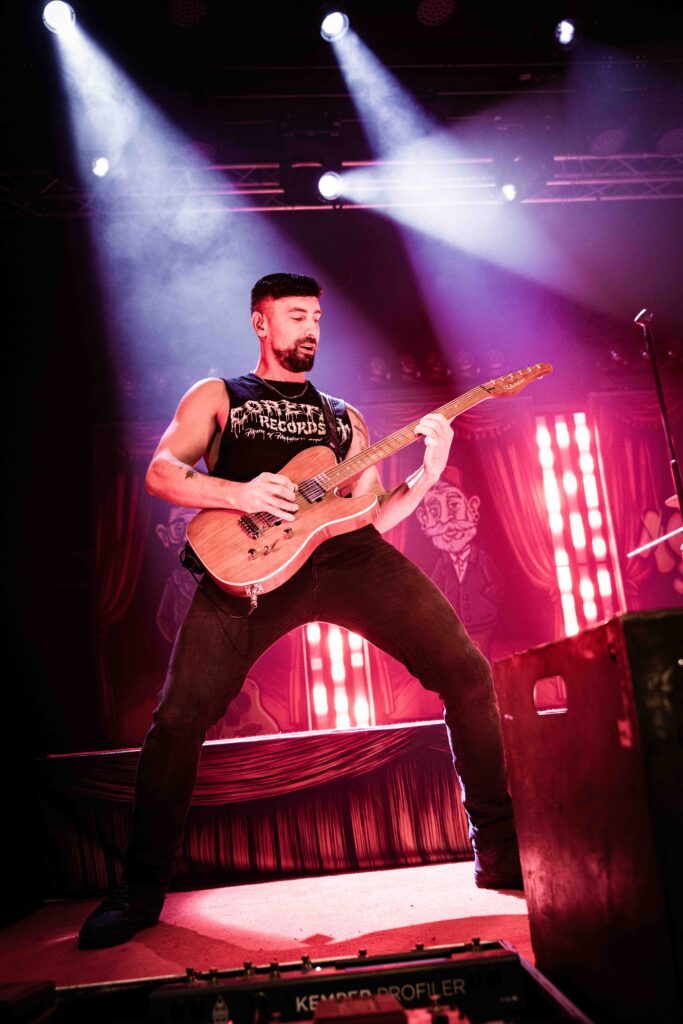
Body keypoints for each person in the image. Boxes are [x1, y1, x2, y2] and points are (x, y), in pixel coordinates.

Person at [78, 272, 523, 950]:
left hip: (348, 559)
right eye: (294, 315)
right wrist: (239, 493)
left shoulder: (345, 418)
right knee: (178, 719)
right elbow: (162, 472)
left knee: (466, 671)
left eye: (315, 316)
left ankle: (497, 850)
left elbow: (373, 513)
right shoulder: (220, 395)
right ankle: (139, 890)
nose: (310, 327)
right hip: (247, 570)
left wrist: (428, 472)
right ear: (261, 322)